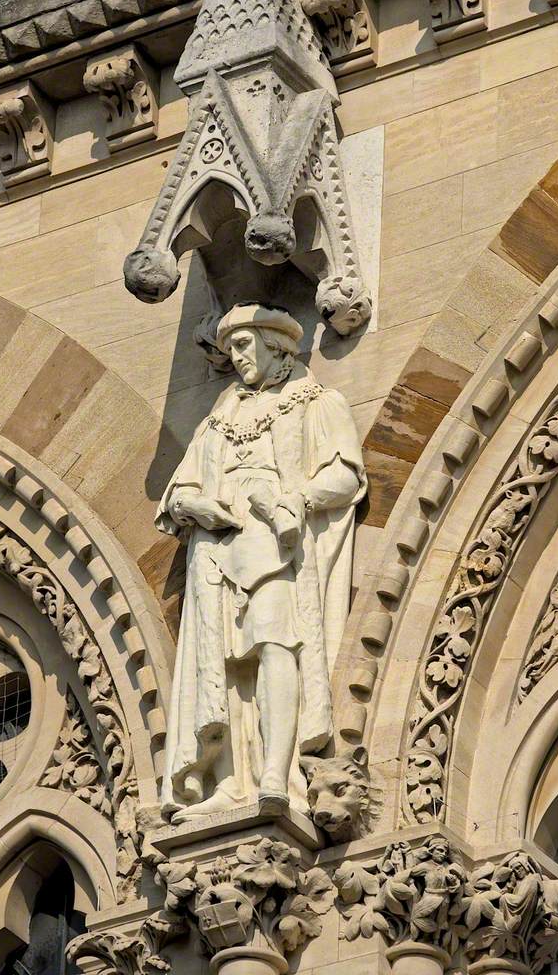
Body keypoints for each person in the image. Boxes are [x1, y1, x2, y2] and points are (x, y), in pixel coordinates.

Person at [158, 303, 366, 822]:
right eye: (230, 348)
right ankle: (233, 781)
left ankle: (278, 771)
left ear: (276, 345)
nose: (236, 356)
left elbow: (344, 477)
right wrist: (197, 505)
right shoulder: (219, 417)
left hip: (277, 547)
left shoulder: (316, 402)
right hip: (217, 550)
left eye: (244, 345)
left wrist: (298, 500)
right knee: (227, 666)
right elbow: (178, 491)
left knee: (275, 644)